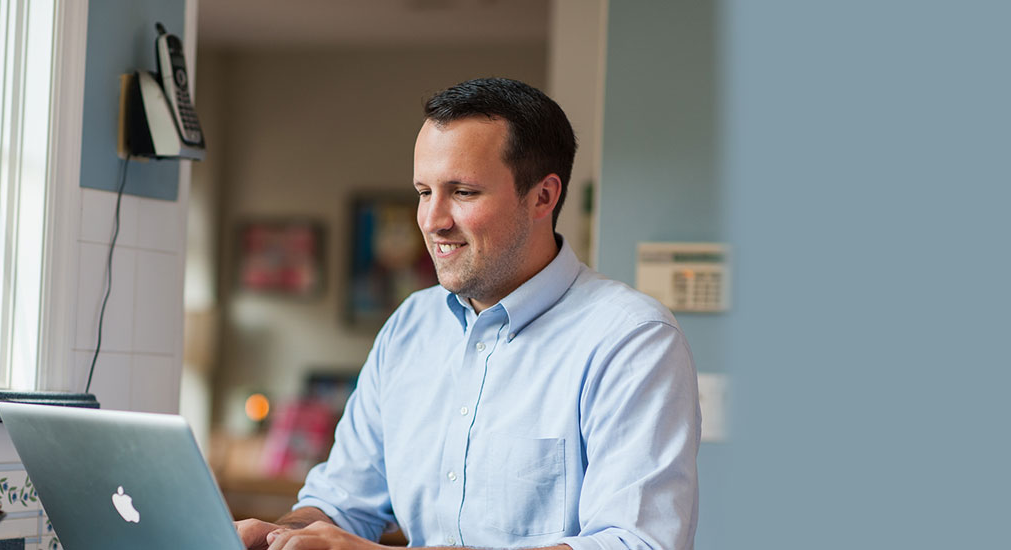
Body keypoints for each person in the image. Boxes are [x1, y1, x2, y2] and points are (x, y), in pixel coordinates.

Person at [235, 77, 700, 550]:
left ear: (543, 196)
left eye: (463, 192)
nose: (433, 220)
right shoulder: (409, 327)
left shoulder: (633, 340)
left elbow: (635, 543)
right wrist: (277, 535)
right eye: (423, 191)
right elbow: (340, 500)